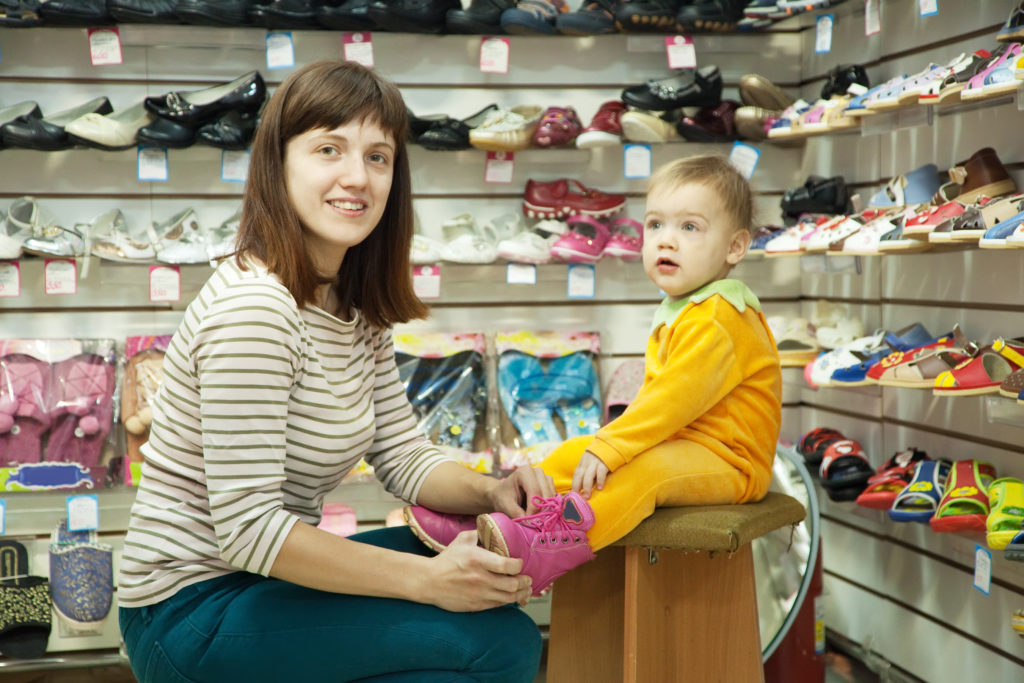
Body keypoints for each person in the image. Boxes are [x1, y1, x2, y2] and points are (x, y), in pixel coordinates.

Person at [116, 59, 552, 683]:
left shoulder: (348, 302)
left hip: (257, 583)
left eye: (378, 157)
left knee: (488, 568)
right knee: (496, 643)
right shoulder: (257, 309)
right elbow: (249, 530)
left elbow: (401, 454)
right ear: (279, 163)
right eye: (329, 149)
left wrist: (491, 489)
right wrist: (429, 583)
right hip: (188, 612)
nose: (358, 177)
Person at [407, 155, 782, 596]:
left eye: (690, 228)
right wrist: (603, 447)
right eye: (656, 225)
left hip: (731, 462)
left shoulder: (720, 316)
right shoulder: (689, 308)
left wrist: (612, 446)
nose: (667, 241)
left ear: (735, 247)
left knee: (648, 473)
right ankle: (501, 512)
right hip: (690, 445)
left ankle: (543, 546)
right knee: (573, 452)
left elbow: (671, 401)